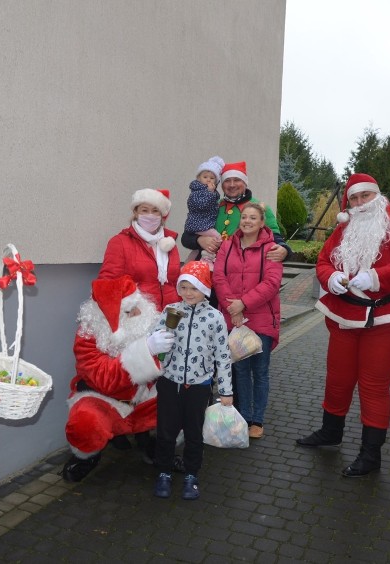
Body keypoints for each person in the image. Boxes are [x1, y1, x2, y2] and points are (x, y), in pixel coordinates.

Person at [295, 173, 390, 478]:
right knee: (338, 378)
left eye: (364, 196)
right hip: (346, 316)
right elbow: (324, 261)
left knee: (373, 386)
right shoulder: (344, 229)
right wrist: (329, 277)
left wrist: (377, 277)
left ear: (377, 196)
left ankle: (371, 455)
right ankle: (331, 431)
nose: (359, 203)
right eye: (353, 198)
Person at [61, 275, 174, 482]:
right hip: (106, 401)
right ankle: (88, 456)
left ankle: (155, 444)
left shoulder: (151, 323)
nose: (139, 312)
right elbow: (103, 378)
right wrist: (146, 350)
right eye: (130, 311)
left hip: (144, 397)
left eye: (138, 305)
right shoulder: (88, 336)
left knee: (182, 400)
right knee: (84, 422)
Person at [153, 261, 232, 500]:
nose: (188, 293)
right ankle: (164, 473)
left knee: (194, 433)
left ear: (205, 289)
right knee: (166, 432)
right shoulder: (170, 311)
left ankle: (191, 475)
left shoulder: (215, 317)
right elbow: (155, 344)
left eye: (194, 288)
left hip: (199, 386)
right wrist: (158, 342)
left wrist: (226, 391)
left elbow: (223, 355)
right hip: (169, 383)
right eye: (184, 287)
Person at [214, 202, 283, 439]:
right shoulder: (227, 246)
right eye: (244, 217)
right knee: (240, 370)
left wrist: (242, 304)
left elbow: (272, 283)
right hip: (233, 317)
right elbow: (219, 277)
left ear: (262, 222)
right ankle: (243, 415)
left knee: (260, 371)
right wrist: (232, 307)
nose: (247, 221)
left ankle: (258, 420)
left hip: (261, 318)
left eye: (253, 218)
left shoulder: (271, 248)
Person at [180, 161, 291, 268]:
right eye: (227, 181)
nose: (232, 185)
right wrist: (199, 240)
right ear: (222, 184)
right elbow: (186, 236)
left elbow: (275, 237)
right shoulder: (213, 205)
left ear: (245, 183)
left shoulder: (259, 207)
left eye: (237, 180)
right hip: (209, 271)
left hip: (242, 272)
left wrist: (284, 250)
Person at [98, 188, 180, 311]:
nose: (150, 215)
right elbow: (108, 282)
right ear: (136, 212)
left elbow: (175, 282)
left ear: (162, 215)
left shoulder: (169, 243)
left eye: (155, 211)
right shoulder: (119, 242)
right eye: (144, 210)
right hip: (139, 317)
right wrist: (128, 306)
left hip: (169, 316)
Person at [183, 155, 224, 266]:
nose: (208, 180)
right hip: (200, 225)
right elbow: (200, 205)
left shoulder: (212, 193)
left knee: (197, 250)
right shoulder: (199, 192)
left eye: (212, 178)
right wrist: (210, 193)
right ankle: (208, 259)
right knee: (218, 239)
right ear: (199, 178)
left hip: (202, 224)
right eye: (205, 177)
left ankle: (188, 263)